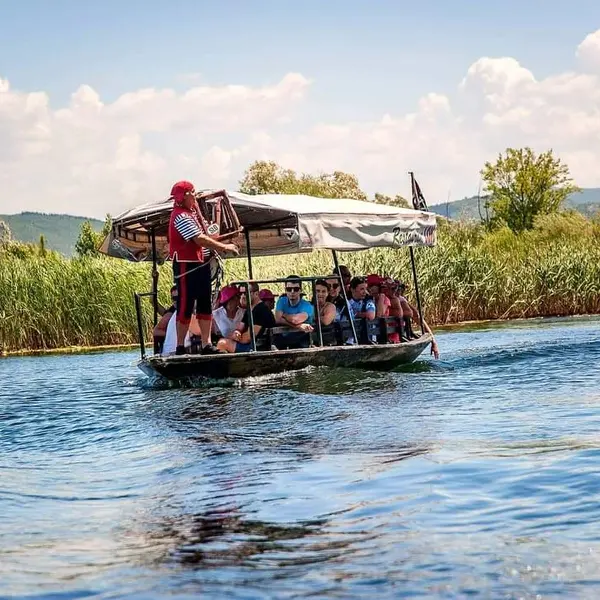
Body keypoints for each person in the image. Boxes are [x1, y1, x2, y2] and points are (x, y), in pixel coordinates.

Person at [168, 180, 239, 355]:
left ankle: (206, 344)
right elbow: (199, 239)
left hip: (200, 264)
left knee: (204, 304)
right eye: (192, 193)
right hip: (187, 265)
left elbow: (205, 238)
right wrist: (224, 247)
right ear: (186, 195)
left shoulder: (191, 215)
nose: (195, 197)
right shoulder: (180, 216)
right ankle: (179, 347)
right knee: (185, 305)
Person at [217, 282, 276, 353]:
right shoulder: (250, 309)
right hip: (251, 345)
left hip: (258, 347)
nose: (243, 296)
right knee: (222, 342)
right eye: (240, 294)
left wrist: (235, 338)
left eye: (246, 293)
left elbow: (249, 337)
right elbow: (240, 327)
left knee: (222, 344)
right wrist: (237, 332)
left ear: (256, 294)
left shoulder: (261, 310)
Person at [274, 275, 314, 349]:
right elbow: (277, 319)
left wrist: (284, 315)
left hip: (303, 341)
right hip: (284, 339)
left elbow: (295, 320)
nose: (292, 292)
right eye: (289, 289)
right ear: (285, 290)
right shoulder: (282, 301)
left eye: (295, 289)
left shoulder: (307, 306)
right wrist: (300, 326)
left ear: (300, 290)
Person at [342, 276, 376, 344]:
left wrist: (357, 314)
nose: (365, 292)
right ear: (352, 289)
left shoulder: (368, 301)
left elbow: (371, 315)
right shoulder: (346, 302)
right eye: (362, 289)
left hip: (367, 338)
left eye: (365, 289)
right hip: (348, 338)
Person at [153, 285, 178, 353]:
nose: (175, 301)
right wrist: (172, 333)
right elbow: (156, 331)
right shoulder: (170, 313)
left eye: (178, 298)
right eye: (173, 298)